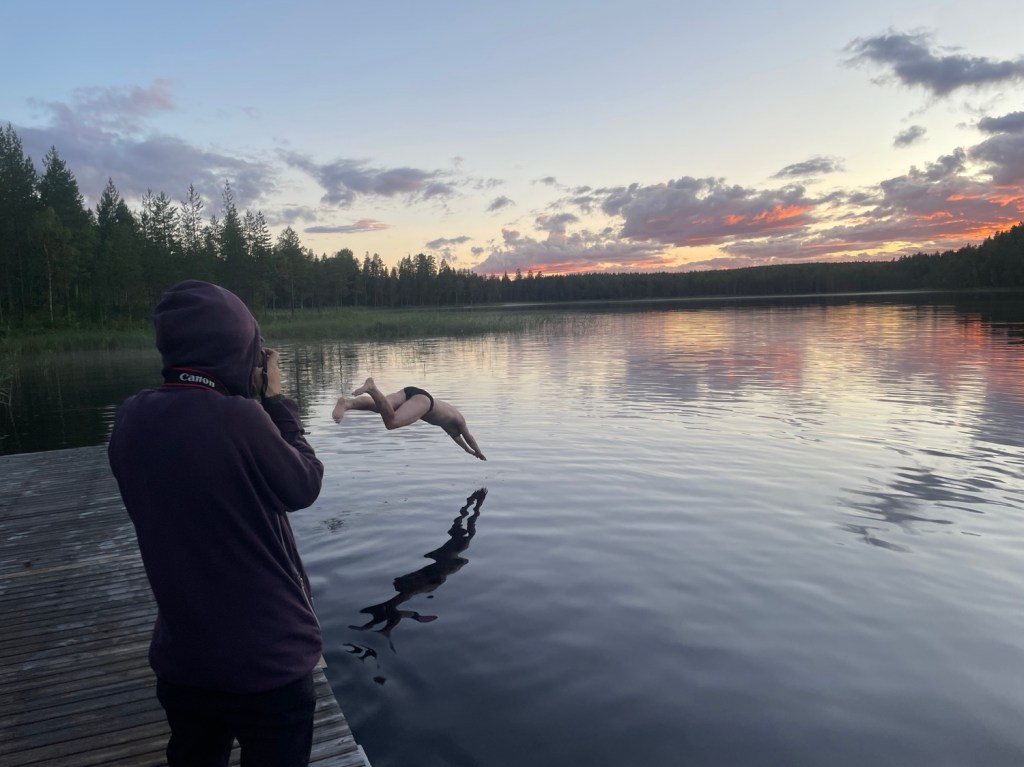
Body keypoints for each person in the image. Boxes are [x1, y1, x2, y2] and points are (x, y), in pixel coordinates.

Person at [108, 280, 325, 767]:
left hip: (185, 662)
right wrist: (276, 402)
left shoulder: (130, 418)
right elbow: (304, 484)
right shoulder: (243, 419)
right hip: (268, 665)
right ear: (237, 346)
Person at [332, 378, 486, 460]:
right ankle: (372, 388)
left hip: (412, 391)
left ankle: (347, 404)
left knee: (383, 406)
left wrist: (469, 451)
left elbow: (460, 441)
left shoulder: (450, 423)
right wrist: (479, 452)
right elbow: (469, 438)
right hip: (425, 402)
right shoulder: (459, 420)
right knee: (392, 422)